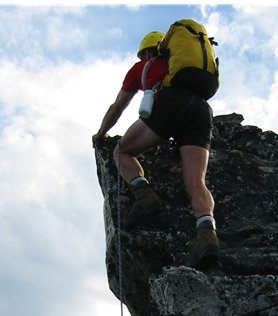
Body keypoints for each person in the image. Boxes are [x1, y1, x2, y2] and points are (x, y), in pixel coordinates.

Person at [93, 31, 219, 268]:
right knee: (196, 183)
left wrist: (101, 134)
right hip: (201, 111)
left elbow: (117, 107)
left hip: (171, 104)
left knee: (122, 152)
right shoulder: (176, 68)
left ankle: (144, 195)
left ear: (147, 52)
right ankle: (207, 234)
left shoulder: (144, 66)